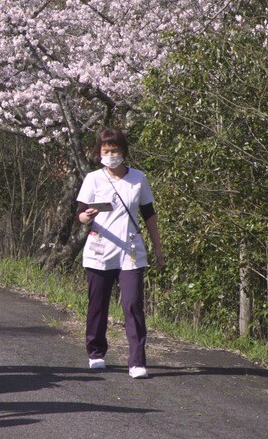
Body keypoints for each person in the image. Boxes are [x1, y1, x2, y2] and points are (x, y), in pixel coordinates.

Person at [76, 128, 165, 379]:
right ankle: (96, 353)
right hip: (100, 249)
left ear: (124, 151)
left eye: (114, 150)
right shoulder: (94, 179)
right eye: (106, 151)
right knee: (97, 305)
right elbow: (81, 214)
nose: (110, 155)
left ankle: (137, 361)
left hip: (131, 249)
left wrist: (158, 248)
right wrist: (87, 216)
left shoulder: (138, 178)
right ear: (99, 153)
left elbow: (149, 214)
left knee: (133, 304)